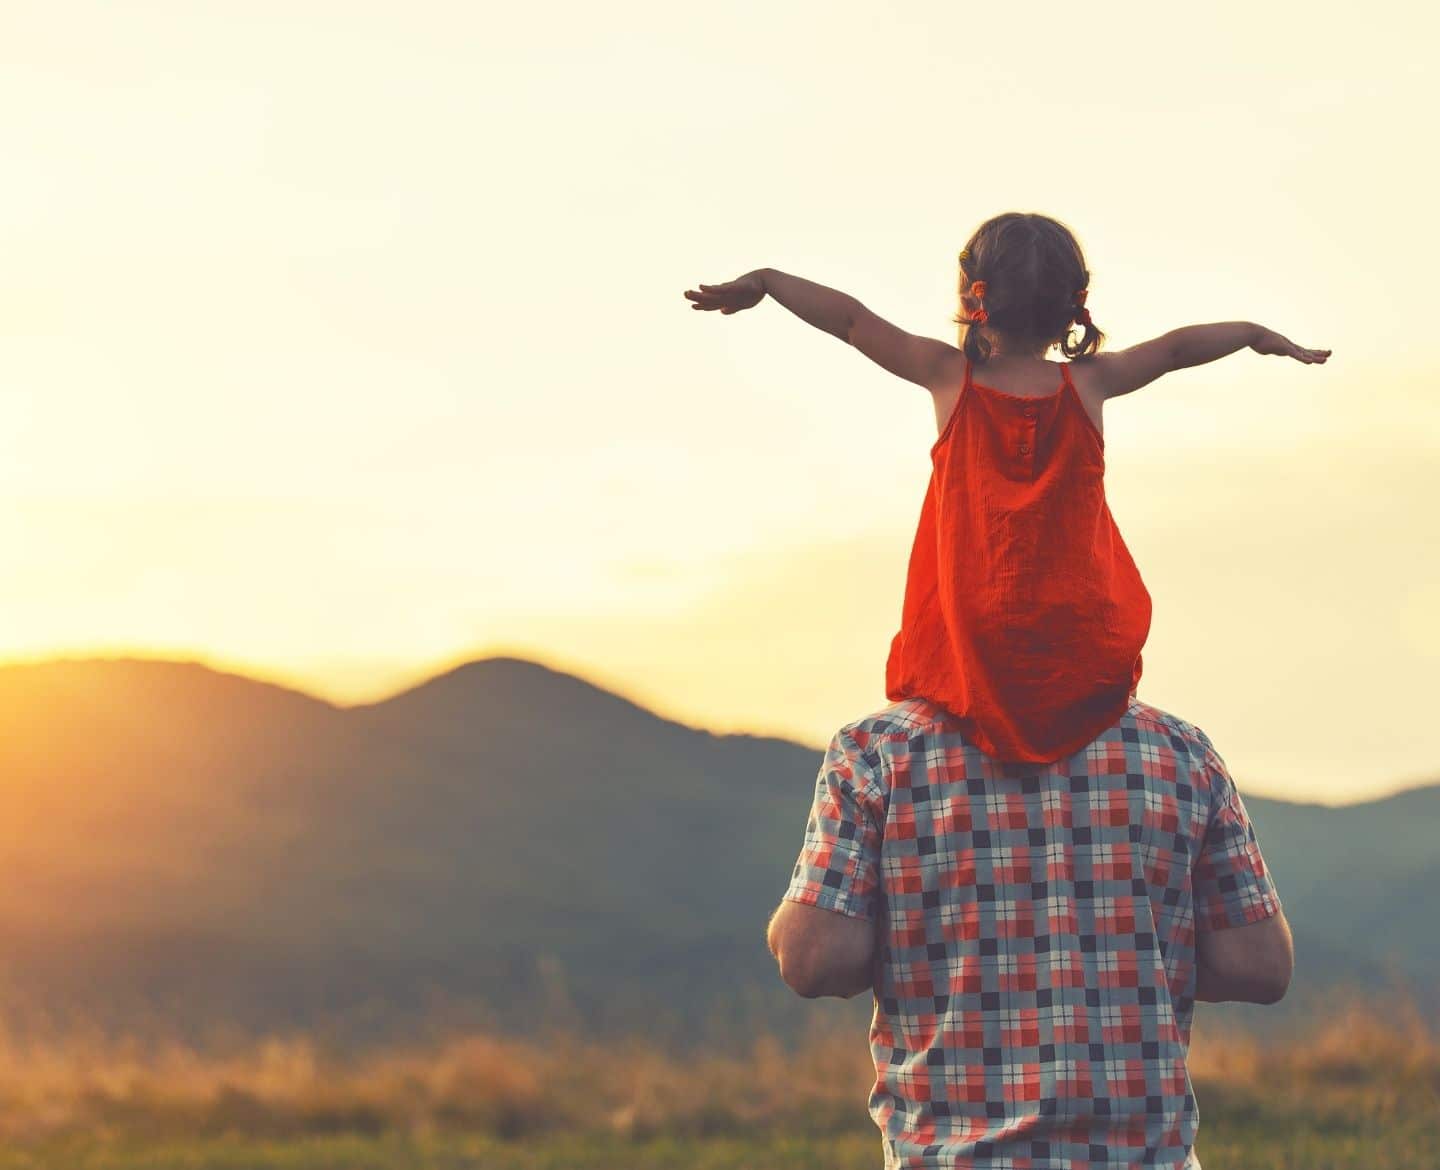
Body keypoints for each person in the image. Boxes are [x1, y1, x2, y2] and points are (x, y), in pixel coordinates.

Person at [683, 211, 1329, 764]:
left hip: (974, 640)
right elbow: (1178, 348)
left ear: (974, 297)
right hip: (1077, 637)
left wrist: (767, 283)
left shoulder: (948, 376)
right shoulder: (1090, 384)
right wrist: (1252, 336)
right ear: (1074, 304)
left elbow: (851, 321)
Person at [765, 695, 1292, 1169]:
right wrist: (1138, 949)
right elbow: (1259, 964)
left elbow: (814, 959)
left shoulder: (877, 754)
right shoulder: (1181, 754)